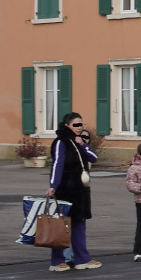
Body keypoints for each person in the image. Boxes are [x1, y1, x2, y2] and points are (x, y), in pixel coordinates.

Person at [44, 111, 100, 271]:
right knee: (60, 226)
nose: (79, 127)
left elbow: (94, 158)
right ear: (67, 125)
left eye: (81, 124)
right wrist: (53, 185)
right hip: (65, 190)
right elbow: (57, 164)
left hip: (80, 191)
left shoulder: (79, 141)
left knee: (79, 226)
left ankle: (82, 259)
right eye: (75, 124)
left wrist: (83, 144)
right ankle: (57, 261)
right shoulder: (60, 142)